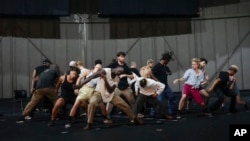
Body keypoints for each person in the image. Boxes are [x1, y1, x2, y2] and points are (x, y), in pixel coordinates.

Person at [73, 66, 143, 130]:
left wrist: (105, 80)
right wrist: (79, 85)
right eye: (118, 70)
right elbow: (91, 77)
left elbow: (110, 90)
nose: (119, 72)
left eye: (120, 72)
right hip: (99, 93)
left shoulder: (117, 79)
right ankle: (89, 124)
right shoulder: (105, 71)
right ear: (114, 68)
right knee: (92, 102)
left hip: (110, 95)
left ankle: (135, 119)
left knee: (125, 106)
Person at [152, 51, 176, 118]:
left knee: (172, 97)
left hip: (166, 85)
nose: (168, 62)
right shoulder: (157, 66)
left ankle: (170, 111)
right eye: (167, 61)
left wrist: (168, 72)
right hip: (159, 86)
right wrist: (156, 81)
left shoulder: (165, 67)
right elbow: (151, 74)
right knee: (158, 100)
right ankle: (153, 112)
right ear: (165, 60)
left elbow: (170, 72)